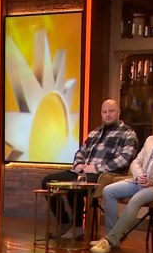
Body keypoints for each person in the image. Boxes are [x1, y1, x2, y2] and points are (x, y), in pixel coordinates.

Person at [90, 106, 153, 253]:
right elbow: (136, 161)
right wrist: (139, 175)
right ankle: (114, 238)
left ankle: (109, 241)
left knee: (136, 200)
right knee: (108, 191)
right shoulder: (151, 139)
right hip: (138, 181)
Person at [40, 99, 139, 240]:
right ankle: (64, 222)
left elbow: (125, 159)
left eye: (111, 111)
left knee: (76, 185)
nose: (108, 115)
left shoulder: (128, 133)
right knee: (47, 182)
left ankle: (77, 227)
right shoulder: (95, 133)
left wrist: (95, 168)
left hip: (105, 174)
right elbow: (81, 152)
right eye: (104, 112)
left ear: (118, 112)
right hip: (83, 171)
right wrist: (78, 164)